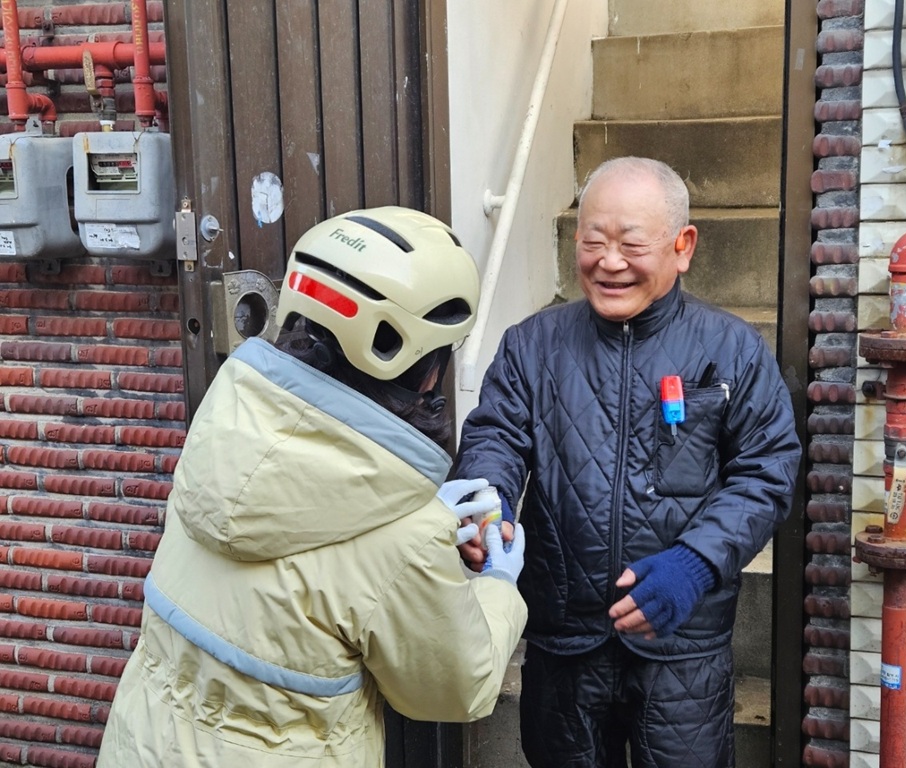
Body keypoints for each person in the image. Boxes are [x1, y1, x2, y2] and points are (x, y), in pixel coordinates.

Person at [96, 207, 528, 768]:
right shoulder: (407, 538)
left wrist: (426, 523)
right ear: (427, 366)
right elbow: (454, 686)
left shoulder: (222, 430)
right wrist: (498, 584)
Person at [454, 156, 801, 767]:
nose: (608, 262)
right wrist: (485, 510)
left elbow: (766, 473)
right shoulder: (532, 345)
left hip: (683, 646)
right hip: (564, 642)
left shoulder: (733, 350)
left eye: (630, 244)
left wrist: (694, 566)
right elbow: (495, 440)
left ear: (682, 246)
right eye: (592, 242)